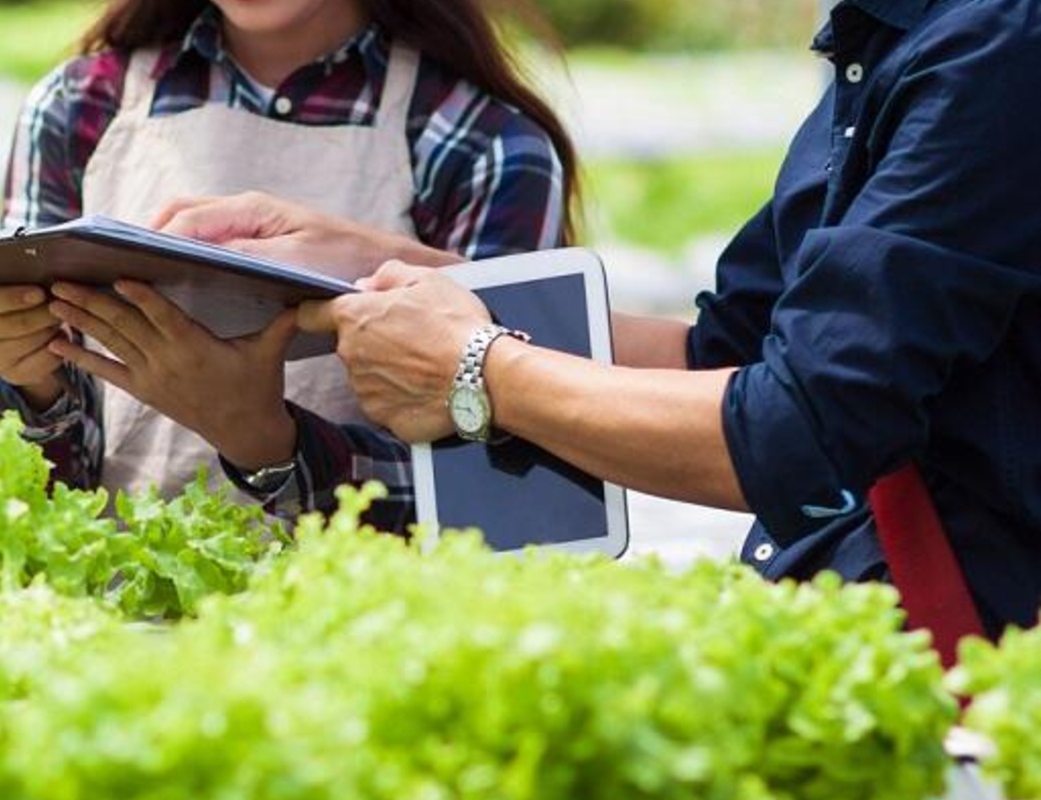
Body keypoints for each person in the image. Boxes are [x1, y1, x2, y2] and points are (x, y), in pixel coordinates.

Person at [142, 0, 1041, 636]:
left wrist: (477, 372)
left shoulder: (994, 47)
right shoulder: (885, 40)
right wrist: (378, 263)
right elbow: (720, 351)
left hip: (977, 636)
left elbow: (799, 428)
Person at [0, 0, 577, 522]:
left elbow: (506, 493)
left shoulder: (483, 144)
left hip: (359, 635)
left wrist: (265, 440)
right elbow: (11, 499)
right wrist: (28, 376)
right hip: (116, 635)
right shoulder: (78, 107)